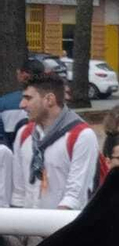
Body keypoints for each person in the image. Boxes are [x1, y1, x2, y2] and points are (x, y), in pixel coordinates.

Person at [10, 75, 99, 210]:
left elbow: (74, 196)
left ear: (49, 100)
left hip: (64, 226)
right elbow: (18, 192)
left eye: (28, 98)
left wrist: (51, 228)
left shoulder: (81, 136)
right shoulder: (23, 133)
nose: (21, 104)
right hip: (26, 226)